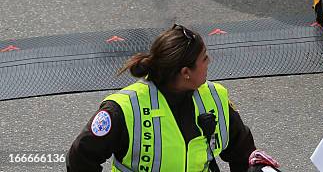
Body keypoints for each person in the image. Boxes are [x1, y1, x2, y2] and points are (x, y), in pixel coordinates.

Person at [67, 24, 256, 171]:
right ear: (185, 72)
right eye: (204, 58)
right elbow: (81, 158)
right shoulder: (123, 110)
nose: (210, 61)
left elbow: (243, 153)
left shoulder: (216, 98)